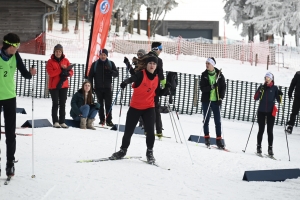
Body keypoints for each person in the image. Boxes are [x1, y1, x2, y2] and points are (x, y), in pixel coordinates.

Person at [109, 56, 170, 163]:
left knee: (151, 132)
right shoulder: (141, 74)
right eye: (150, 63)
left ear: (156, 66)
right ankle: (123, 150)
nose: (152, 65)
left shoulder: (156, 78)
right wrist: (125, 82)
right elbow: (132, 78)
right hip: (135, 107)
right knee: (128, 131)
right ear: (146, 65)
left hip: (149, 108)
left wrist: (167, 88)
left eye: (154, 64)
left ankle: (149, 152)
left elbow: (158, 93)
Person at [0, 33, 36, 177]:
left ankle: (10, 164)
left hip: (10, 98)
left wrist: (31, 73)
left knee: (10, 133)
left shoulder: (16, 56)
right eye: (16, 46)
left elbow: (25, 74)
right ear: (9, 45)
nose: (17, 49)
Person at [200, 57, 226, 148]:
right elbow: (202, 88)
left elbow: (223, 87)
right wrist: (211, 87)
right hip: (207, 100)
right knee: (206, 120)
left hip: (216, 101)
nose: (206, 65)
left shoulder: (219, 75)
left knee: (217, 121)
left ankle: (219, 140)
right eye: (206, 63)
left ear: (213, 65)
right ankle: (207, 138)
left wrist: (221, 98)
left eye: (208, 63)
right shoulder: (204, 75)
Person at [254, 72, 282, 156]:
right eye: (266, 78)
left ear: (271, 79)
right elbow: (256, 98)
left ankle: (270, 148)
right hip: (261, 111)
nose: (267, 80)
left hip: (270, 112)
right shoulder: (262, 87)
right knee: (261, 130)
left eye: (268, 78)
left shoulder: (274, 88)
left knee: (270, 131)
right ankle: (259, 147)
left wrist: (280, 95)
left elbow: (279, 100)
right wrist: (259, 91)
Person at [88, 49, 118, 127]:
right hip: (98, 88)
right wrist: (90, 86)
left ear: (106, 55)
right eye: (101, 55)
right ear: (99, 55)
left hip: (108, 88)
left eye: (104, 55)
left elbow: (116, 74)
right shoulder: (95, 64)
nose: (103, 56)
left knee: (108, 105)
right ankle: (102, 119)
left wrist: (110, 71)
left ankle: (109, 120)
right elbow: (90, 76)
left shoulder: (111, 63)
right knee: (100, 105)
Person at [46, 44, 74, 129]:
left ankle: (62, 121)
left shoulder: (66, 60)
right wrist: (61, 69)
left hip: (64, 85)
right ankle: (55, 121)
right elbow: (51, 73)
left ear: (62, 52)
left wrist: (67, 72)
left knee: (63, 104)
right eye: (57, 51)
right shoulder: (50, 62)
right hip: (54, 86)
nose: (58, 53)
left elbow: (71, 72)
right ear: (54, 52)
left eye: (60, 51)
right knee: (55, 103)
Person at [123, 49, 146, 127]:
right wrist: (127, 64)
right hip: (138, 87)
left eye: (141, 54)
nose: (139, 56)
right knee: (136, 105)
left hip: (145, 87)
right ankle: (139, 122)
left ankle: (144, 123)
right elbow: (133, 74)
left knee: (144, 106)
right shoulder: (137, 63)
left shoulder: (145, 63)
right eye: (138, 54)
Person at [147, 42, 165, 138]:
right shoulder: (158, 60)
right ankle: (158, 130)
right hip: (154, 87)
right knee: (155, 108)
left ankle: (147, 129)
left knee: (145, 108)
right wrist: (164, 83)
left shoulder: (146, 57)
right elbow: (160, 73)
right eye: (160, 49)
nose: (161, 51)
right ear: (155, 49)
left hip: (144, 86)